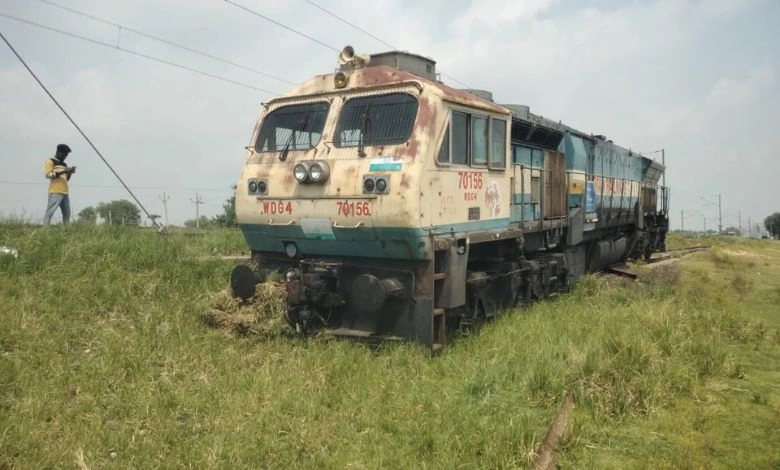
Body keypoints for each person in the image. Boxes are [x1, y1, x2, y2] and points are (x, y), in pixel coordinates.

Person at [43, 144, 76, 226]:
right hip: (55, 191)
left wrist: (70, 173)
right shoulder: (50, 161)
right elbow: (48, 175)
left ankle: (66, 230)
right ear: (58, 152)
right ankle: (45, 230)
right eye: (64, 154)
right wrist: (64, 171)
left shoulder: (64, 165)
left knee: (67, 213)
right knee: (50, 211)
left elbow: (66, 179)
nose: (65, 156)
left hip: (65, 192)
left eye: (66, 155)